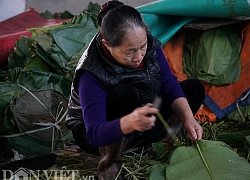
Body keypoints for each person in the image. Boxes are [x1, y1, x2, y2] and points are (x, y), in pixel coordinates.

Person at [65, 0, 205, 179]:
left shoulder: (148, 45)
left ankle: (156, 147)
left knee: (193, 89)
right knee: (125, 94)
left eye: (142, 47)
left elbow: (169, 85)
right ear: (107, 44)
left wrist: (188, 118)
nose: (139, 57)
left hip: (141, 113)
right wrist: (129, 122)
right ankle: (111, 167)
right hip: (103, 130)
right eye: (129, 52)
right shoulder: (91, 73)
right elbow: (94, 133)